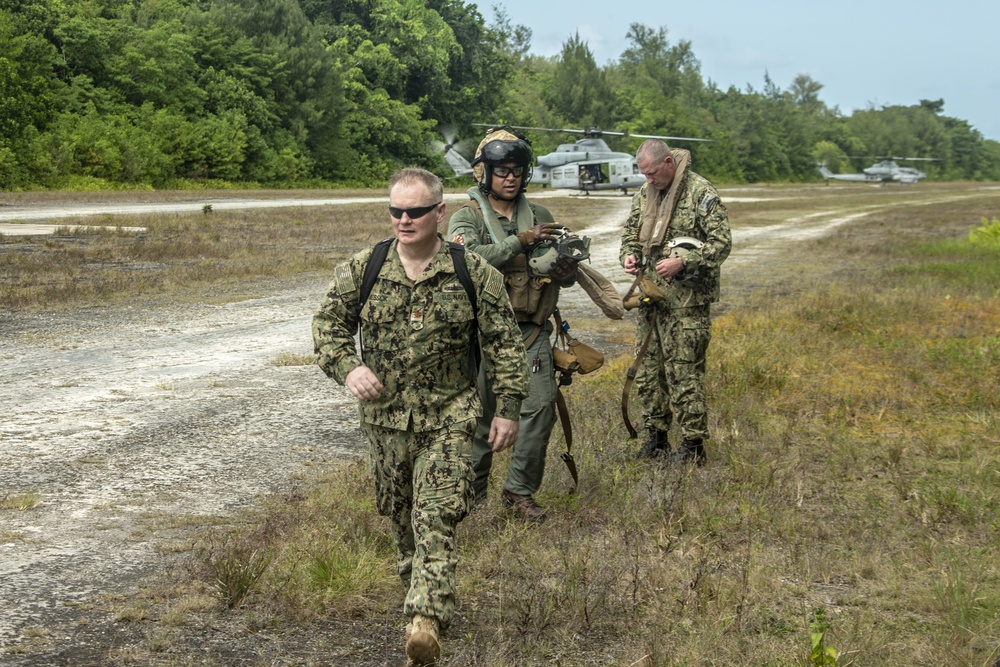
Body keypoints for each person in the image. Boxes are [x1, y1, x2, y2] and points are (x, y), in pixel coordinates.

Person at [312, 168, 529, 665]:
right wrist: (349, 368)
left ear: (439, 212)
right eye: (395, 211)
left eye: (414, 211)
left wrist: (509, 410)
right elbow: (327, 326)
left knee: (436, 513)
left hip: (449, 417)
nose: (403, 220)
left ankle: (427, 620)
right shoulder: (364, 268)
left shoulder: (473, 273)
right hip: (385, 422)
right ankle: (416, 604)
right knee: (400, 517)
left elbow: (504, 345)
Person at [447, 127, 582, 522]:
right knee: (480, 417)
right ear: (483, 173)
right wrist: (521, 241)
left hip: (530, 331)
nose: (511, 177)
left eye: (517, 170)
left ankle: (518, 492)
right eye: (502, 169)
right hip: (481, 336)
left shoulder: (542, 215)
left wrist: (565, 268)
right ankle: (469, 497)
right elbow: (467, 261)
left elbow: (565, 277)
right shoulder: (466, 217)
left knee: (540, 410)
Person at [619, 139, 732, 464]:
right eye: (644, 174)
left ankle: (693, 446)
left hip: (687, 302)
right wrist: (628, 255)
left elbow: (722, 243)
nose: (649, 180)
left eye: (653, 173)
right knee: (648, 371)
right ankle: (657, 438)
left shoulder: (700, 192)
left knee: (683, 371)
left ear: (669, 163)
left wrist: (685, 261)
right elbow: (629, 232)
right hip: (652, 299)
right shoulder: (646, 194)